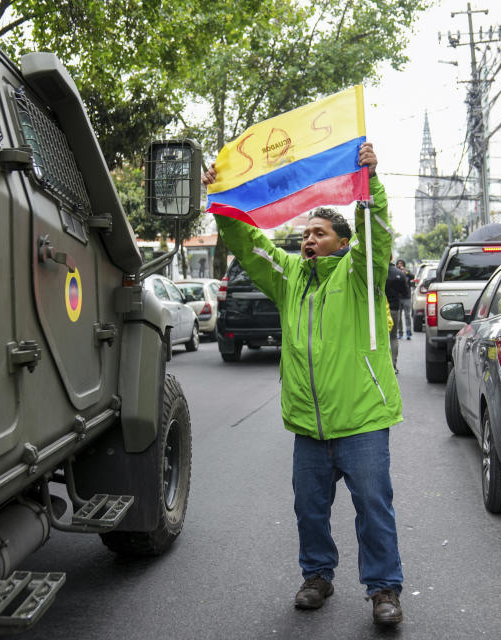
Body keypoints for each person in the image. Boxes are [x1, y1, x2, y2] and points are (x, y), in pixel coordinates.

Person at [202, 142, 404, 626]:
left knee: (373, 508)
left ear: (341, 241)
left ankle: (383, 591)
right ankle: (317, 576)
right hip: (309, 425)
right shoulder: (289, 277)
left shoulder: (360, 276)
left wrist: (370, 183)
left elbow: (376, 237)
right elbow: (250, 246)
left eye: (319, 232)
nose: (308, 239)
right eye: (305, 233)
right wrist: (223, 198)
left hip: (361, 419)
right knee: (309, 509)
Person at [385, 260, 410, 372]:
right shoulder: (399, 273)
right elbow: (405, 292)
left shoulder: (378, 272)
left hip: (379, 309)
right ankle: (393, 365)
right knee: (393, 337)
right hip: (394, 308)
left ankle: (382, 366)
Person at [395, 259, 414, 339]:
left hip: (407, 297)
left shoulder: (407, 272)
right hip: (398, 298)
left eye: (401, 263)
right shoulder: (395, 273)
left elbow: (412, 276)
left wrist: (404, 271)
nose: (400, 265)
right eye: (398, 264)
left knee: (407, 315)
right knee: (398, 317)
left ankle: (408, 332)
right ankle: (400, 332)